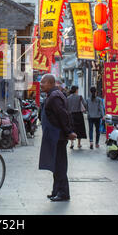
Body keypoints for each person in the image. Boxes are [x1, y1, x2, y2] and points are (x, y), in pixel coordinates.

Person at [38, 74, 77, 202]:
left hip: (58, 136)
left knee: (60, 165)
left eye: (43, 82)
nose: (41, 84)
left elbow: (63, 115)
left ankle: (63, 193)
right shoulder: (53, 95)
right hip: (53, 135)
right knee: (55, 164)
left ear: (50, 83)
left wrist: (69, 131)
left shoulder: (55, 97)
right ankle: (56, 191)